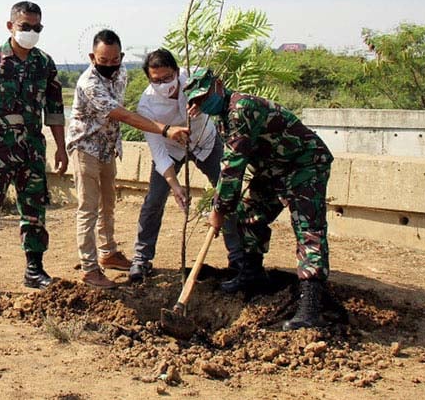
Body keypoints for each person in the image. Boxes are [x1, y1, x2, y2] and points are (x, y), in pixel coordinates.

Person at [184, 67, 334, 330]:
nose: (203, 103)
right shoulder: (222, 118)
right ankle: (252, 275)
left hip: (304, 164)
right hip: (272, 168)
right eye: (197, 101)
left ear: (218, 86)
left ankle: (311, 306)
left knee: (308, 229)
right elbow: (233, 162)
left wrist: (218, 209)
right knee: (248, 213)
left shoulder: (241, 108)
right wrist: (226, 207)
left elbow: (233, 167)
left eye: (205, 96)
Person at [66, 31, 190, 289]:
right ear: (92, 57)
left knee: (108, 205)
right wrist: (166, 130)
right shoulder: (89, 83)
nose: (109, 66)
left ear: (121, 57)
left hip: (107, 148)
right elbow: (123, 115)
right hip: (85, 148)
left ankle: (108, 251)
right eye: (103, 60)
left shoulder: (121, 73)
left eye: (114, 60)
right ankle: (90, 269)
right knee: (88, 209)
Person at [0, 1, 68, 301]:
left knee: (34, 210)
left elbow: (54, 110)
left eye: (37, 28)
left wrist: (60, 148)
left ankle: (34, 270)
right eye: (25, 26)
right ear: (10, 26)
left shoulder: (44, 63)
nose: (31, 32)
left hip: (32, 149)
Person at [130, 49, 244, 283]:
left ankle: (238, 258)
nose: (164, 84)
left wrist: (204, 103)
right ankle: (141, 259)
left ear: (177, 70)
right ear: (149, 79)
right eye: (157, 80)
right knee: (154, 200)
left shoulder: (194, 79)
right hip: (170, 151)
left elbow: (219, 94)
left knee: (227, 193)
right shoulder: (147, 106)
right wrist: (175, 185)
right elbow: (158, 152)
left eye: (168, 77)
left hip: (206, 143)